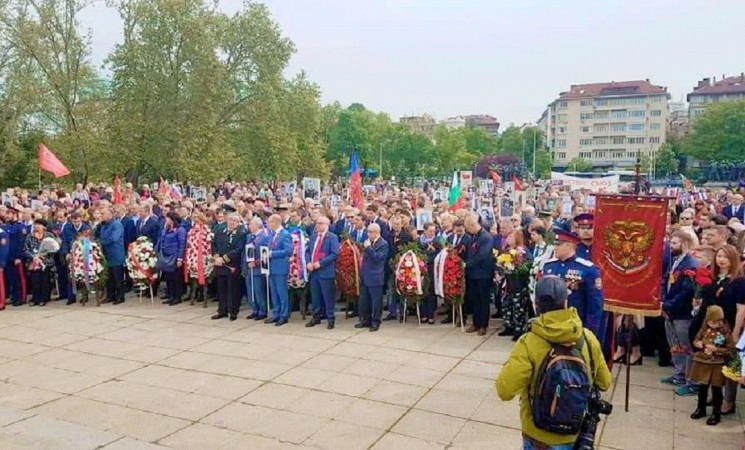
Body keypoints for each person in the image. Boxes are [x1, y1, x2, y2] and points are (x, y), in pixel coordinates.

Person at [496, 276, 612, 450]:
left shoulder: (528, 342)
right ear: (566, 302)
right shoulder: (588, 338)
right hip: (575, 431)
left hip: (537, 433)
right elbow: (605, 382)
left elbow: (504, 390)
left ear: (537, 304)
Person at [541, 229, 604, 337]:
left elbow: (595, 304)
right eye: (555, 244)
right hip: (551, 323)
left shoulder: (587, 269)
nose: (555, 248)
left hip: (575, 324)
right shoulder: (549, 266)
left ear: (569, 246)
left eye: (558, 245)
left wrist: (589, 331)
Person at [658, 231, 699, 395]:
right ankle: (679, 374)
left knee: (686, 346)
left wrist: (669, 305)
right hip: (669, 310)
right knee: (675, 345)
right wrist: (662, 301)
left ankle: (691, 380)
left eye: (674, 243)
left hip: (682, 312)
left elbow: (687, 292)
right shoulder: (674, 261)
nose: (671, 246)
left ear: (685, 244)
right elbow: (665, 281)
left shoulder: (690, 264)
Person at [688, 305, 733, 426]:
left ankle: (716, 413)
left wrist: (716, 350)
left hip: (717, 363)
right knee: (702, 387)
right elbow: (696, 340)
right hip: (703, 361)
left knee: (716, 389)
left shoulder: (725, 332)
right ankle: (701, 408)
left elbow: (730, 350)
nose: (714, 324)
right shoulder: (704, 329)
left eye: (717, 322)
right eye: (711, 322)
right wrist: (700, 345)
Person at [305, 216, 340, 329]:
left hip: (325, 271)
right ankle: (316, 317)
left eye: (321, 223)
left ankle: (330, 318)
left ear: (327, 225)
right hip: (313, 271)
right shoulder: (314, 236)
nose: (318, 225)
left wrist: (321, 263)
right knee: (315, 295)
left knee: (327, 296)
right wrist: (308, 262)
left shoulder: (332, 237)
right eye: (317, 223)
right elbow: (308, 251)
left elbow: (334, 254)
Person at [211, 213, 246, 321]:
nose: (232, 222)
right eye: (231, 220)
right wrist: (216, 256)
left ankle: (233, 312)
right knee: (221, 289)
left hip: (232, 266)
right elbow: (214, 244)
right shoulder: (220, 231)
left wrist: (224, 259)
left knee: (233, 290)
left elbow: (238, 249)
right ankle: (222, 311)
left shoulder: (241, 233)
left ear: (238, 222)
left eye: (235, 221)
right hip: (220, 265)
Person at [464, 214, 494, 336]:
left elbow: (482, 255)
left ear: (472, 225)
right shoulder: (474, 236)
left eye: (467, 227)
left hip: (483, 274)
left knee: (483, 300)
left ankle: (483, 325)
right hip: (473, 274)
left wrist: (468, 264)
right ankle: (476, 323)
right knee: (475, 299)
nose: (467, 230)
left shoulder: (486, 237)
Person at [355, 223, 389, 332]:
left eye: (370, 232)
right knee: (365, 301)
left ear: (376, 232)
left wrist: (369, 248)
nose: (367, 234)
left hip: (375, 277)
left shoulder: (383, 244)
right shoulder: (368, 242)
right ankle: (366, 320)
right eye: (367, 232)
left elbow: (378, 258)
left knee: (376, 302)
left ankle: (376, 321)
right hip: (365, 276)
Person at [265, 214, 293, 326]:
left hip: (280, 267)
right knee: (274, 293)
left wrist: (272, 254)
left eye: (270, 222)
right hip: (271, 267)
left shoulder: (285, 234)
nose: (268, 224)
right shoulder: (273, 234)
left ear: (275, 222)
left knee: (282, 293)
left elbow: (288, 250)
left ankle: (284, 315)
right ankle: (276, 313)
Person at [24, 219, 56, 307]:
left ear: (43, 227)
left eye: (39, 225)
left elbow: (54, 248)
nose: (36, 226)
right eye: (35, 224)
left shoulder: (49, 236)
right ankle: (35, 299)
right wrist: (33, 256)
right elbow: (26, 249)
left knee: (44, 281)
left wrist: (43, 255)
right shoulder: (30, 236)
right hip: (33, 262)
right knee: (35, 281)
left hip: (45, 262)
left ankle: (43, 299)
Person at [156, 212, 187, 305]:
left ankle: (177, 297)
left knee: (175, 278)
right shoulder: (166, 228)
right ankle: (171, 295)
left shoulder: (180, 230)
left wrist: (180, 258)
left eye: (168, 218)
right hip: (165, 255)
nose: (166, 220)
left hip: (174, 255)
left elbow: (182, 244)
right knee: (169, 277)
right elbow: (161, 239)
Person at [60, 212, 90, 305]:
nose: (76, 223)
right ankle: (71, 296)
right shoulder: (67, 228)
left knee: (82, 276)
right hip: (71, 254)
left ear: (81, 219)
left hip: (81, 255)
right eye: (74, 221)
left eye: (78, 221)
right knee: (70, 276)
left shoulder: (86, 228)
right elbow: (64, 241)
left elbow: (88, 242)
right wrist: (66, 253)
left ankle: (84, 295)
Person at [243, 217, 268, 319]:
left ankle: (262, 310)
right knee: (250, 290)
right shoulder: (249, 236)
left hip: (258, 269)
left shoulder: (264, 237)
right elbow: (244, 253)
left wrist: (257, 263)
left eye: (252, 224)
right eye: (249, 224)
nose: (249, 226)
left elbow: (265, 254)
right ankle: (255, 309)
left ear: (258, 225)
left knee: (259, 290)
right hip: (249, 269)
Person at [99, 207, 126, 304]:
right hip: (107, 254)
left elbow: (113, 238)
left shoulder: (117, 224)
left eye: (103, 214)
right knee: (108, 277)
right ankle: (111, 296)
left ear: (110, 214)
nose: (100, 216)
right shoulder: (103, 225)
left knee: (117, 277)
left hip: (116, 254)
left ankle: (120, 296)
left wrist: (101, 243)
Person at [418, 222, 442, 324]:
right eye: (430, 231)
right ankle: (424, 314)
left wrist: (433, 251)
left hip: (432, 268)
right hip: (421, 268)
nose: (432, 233)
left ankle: (431, 315)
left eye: (434, 231)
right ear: (425, 231)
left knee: (431, 291)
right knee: (422, 290)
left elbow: (441, 253)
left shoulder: (438, 241)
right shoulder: (419, 241)